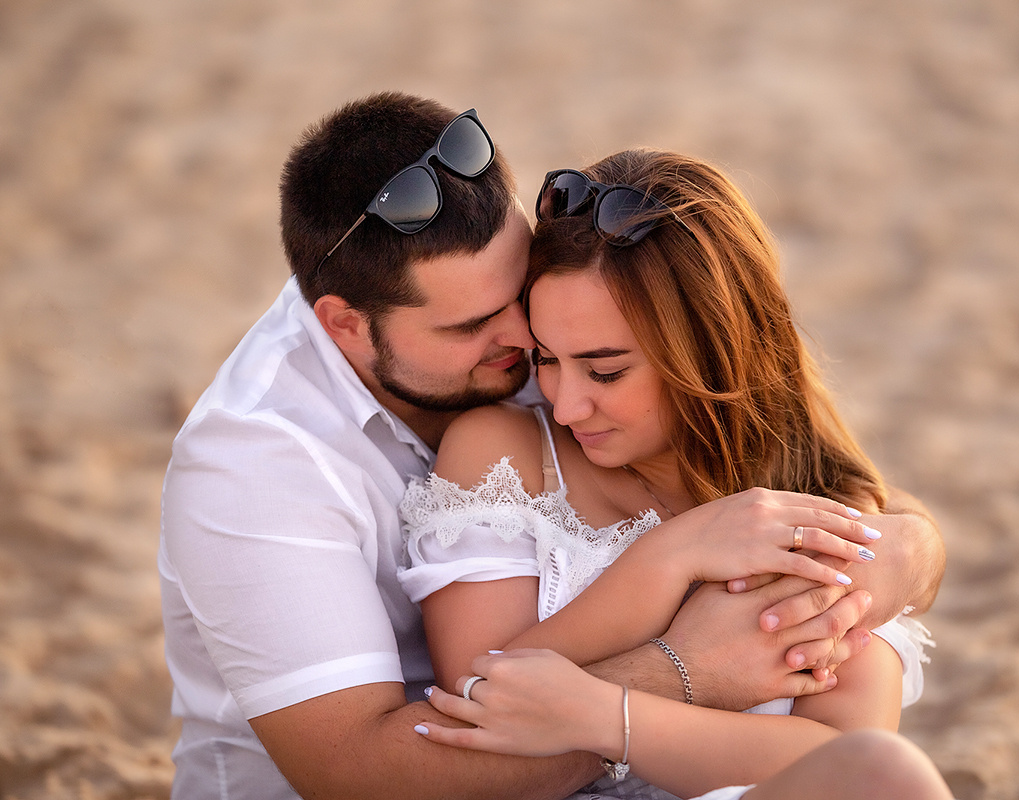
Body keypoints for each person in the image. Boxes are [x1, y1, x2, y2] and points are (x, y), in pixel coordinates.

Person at [158, 91, 946, 800]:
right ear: (345, 326)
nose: (525, 353)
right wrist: (685, 661)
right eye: (474, 327)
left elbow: (846, 492)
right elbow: (366, 776)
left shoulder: (550, 335)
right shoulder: (255, 465)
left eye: (518, 299)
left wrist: (887, 559)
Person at [401, 149, 944, 799]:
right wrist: (669, 558)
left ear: (713, 351)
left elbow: (840, 761)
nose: (567, 404)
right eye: (547, 359)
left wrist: (610, 718)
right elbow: (482, 697)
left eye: (605, 371)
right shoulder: (507, 453)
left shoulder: (815, 504)